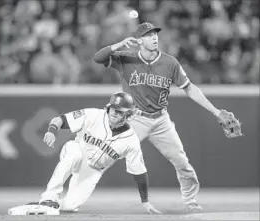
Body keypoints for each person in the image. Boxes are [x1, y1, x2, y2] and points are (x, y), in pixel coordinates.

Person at [93, 22, 229, 213]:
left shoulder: (170, 62)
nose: (154, 37)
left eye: (155, 34)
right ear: (139, 40)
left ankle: (190, 202)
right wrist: (118, 45)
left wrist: (216, 111)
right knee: (102, 157)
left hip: (160, 121)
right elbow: (98, 58)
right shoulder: (126, 59)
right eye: (148, 35)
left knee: (182, 163)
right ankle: (71, 195)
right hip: (135, 119)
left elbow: (189, 88)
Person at [8, 92, 161, 215]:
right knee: (74, 156)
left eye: (119, 111)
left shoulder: (131, 140)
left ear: (128, 115)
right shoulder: (93, 115)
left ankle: (49, 206)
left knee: (69, 207)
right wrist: (52, 131)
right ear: (108, 108)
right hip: (77, 149)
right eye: (113, 108)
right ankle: (48, 198)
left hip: (93, 170)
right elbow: (59, 119)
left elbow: (139, 172)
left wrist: (145, 200)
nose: (114, 113)